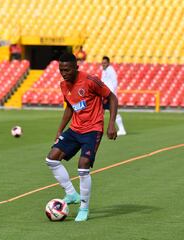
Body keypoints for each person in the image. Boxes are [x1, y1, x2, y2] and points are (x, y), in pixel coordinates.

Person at [45, 53, 118, 221]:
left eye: (67, 70)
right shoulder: (64, 85)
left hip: (93, 130)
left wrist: (111, 123)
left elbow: (112, 98)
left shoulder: (90, 81)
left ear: (76, 67)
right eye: (61, 70)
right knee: (51, 159)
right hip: (75, 129)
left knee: (83, 166)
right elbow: (70, 107)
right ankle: (71, 194)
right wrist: (60, 130)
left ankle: (84, 208)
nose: (64, 73)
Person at [101, 56, 127, 136]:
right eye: (102, 63)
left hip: (109, 95)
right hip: (105, 95)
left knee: (113, 112)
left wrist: (109, 95)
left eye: (105, 63)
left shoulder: (111, 71)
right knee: (102, 112)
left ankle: (122, 129)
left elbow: (114, 83)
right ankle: (99, 128)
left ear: (108, 63)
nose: (103, 64)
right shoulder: (104, 71)